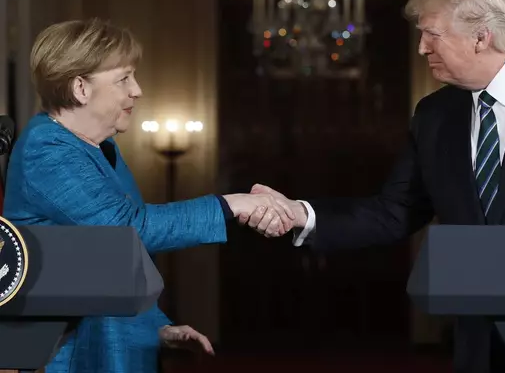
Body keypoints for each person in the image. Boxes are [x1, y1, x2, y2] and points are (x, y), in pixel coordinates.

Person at [239, 0, 505, 372]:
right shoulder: (435, 115)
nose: (421, 47)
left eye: (431, 34)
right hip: (479, 345)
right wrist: (301, 215)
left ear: (481, 37)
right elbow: (394, 212)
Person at [2, 18, 294, 373]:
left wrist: (157, 328)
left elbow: (118, 263)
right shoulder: (46, 149)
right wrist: (231, 204)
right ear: (80, 88)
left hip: (106, 343)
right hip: (66, 358)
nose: (137, 90)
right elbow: (127, 232)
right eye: (124, 78)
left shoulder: (101, 147)